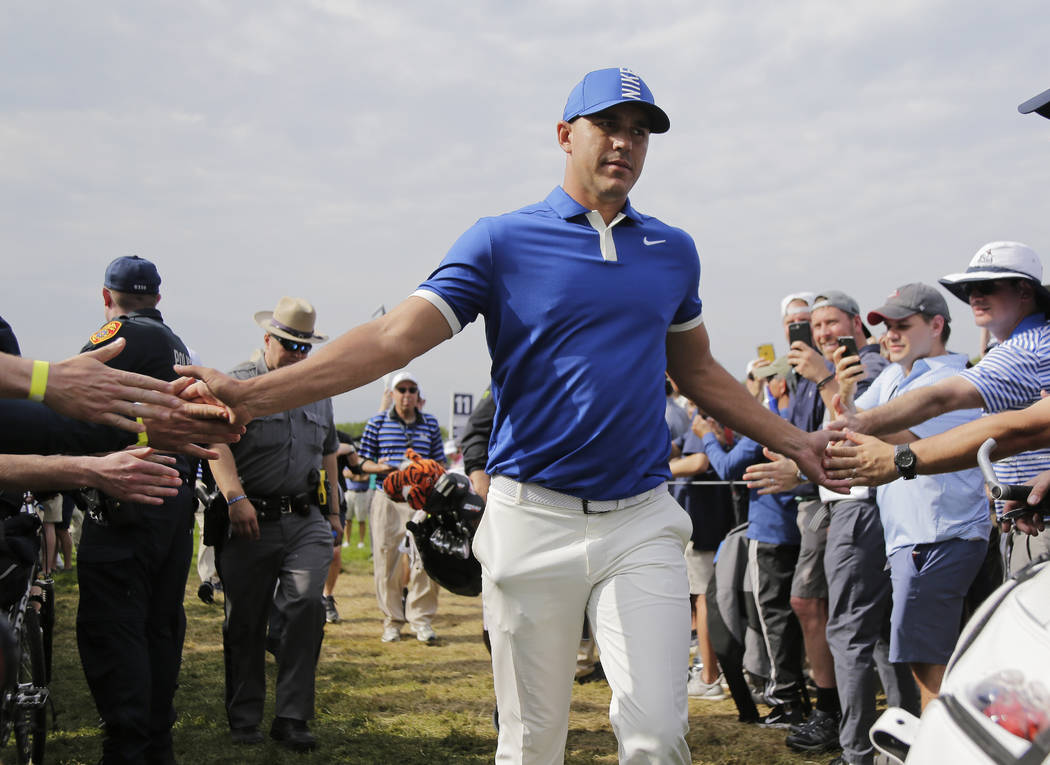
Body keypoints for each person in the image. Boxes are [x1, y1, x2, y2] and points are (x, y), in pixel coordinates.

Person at [177, 66, 832, 763]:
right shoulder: (501, 240)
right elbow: (395, 336)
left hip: (641, 517)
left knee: (658, 735)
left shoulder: (673, 251)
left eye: (640, 132)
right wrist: (250, 396)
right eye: (608, 125)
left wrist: (801, 443)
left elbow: (698, 370)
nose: (626, 143)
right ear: (564, 135)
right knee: (530, 741)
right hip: (531, 518)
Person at [824, 242, 1050, 573]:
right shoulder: (892, 377)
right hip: (1014, 521)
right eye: (969, 289)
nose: (974, 296)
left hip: (942, 541)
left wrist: (892, 459)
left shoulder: (1024, 350)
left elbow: (997, 430)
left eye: (986, 287)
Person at [836, 284, 988, 718]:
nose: (891, 336)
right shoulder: (892, 377)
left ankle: (941, 749)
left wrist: (850, 418)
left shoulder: (953, 380)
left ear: (937, 325)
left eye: (904, 325)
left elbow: (902, 440)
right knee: (928, 659)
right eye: (886, 327)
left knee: (932, 665)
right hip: (914, 538)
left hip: (940, 536)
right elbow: (848, 429)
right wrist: (842, 399)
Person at [74, 254, 200, 765]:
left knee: (116, 625)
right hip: (171, 501)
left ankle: (129, 747)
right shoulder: (175, 343)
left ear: (107, 297)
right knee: (160, 623)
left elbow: (71, 388)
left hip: (129, 500)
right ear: (159, 298)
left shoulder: (122, 335)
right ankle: (155, 743)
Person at [208, 297, 341, 752]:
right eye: (288, 345)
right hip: (250, 520)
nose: (297, 356)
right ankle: (245, 718)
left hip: (306, 520)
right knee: (244, 622)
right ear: (267, 338)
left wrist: (336, 515)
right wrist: (235, 497)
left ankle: (292, 718)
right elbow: (215, 443)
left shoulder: (318, 390)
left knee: (306, 606)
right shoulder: (237, 384)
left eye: (304, 348)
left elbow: (328, 454)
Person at [358, 370, 446, 644]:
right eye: (402, 390)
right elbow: (361, 463)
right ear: (392, 394)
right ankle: (392, 621)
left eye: (411, 390)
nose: (407, 395)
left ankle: (421, 620)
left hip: (421, 501)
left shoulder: (430, 423)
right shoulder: (377, 423)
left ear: (417, 395)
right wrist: (387, 467)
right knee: (387, 560)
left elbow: (440, 462)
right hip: (387, 498)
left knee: (425, 560)